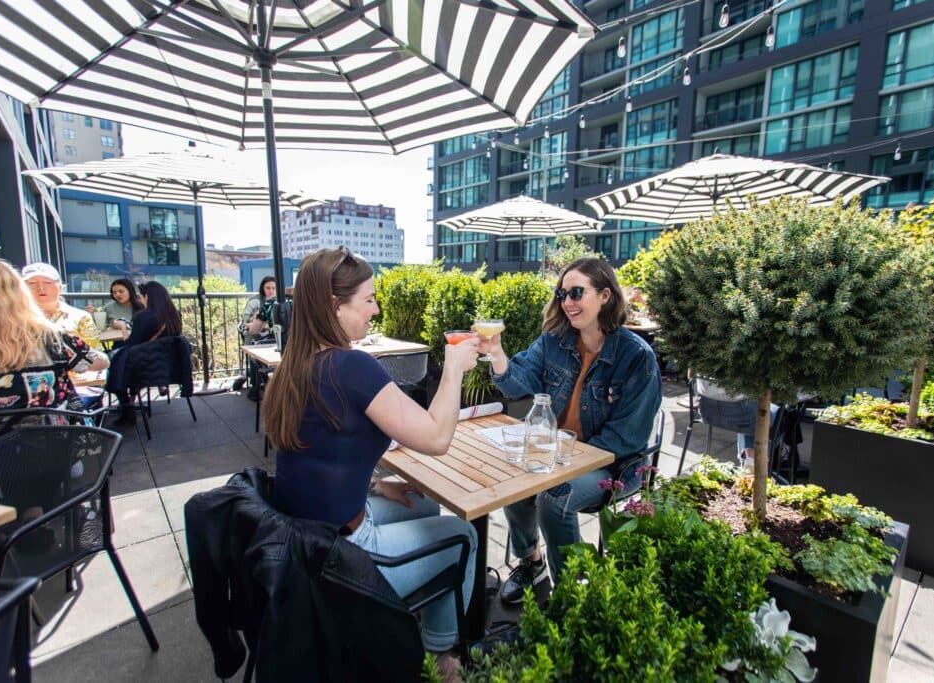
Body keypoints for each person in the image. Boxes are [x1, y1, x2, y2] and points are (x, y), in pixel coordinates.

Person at [263, 246, 480, 675]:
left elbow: (318, 455)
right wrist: (453, 369)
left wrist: (374, 486)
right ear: (333, 306)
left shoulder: (294, 364)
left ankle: (411, 615)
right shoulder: (353, 368)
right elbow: (436, 437)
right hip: (340, 565)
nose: (376, 310)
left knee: (423, 504)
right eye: (367, 300)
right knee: (464, 535)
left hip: (300, 548)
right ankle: (438, 661)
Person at [477, 257, 662, 603]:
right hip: (556, 453)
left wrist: (561, 456)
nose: (567, 302)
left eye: (577, 293)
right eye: (562, 293)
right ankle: (532, 562)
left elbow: (626, 438)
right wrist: (497, 355)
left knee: (553, 495)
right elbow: (518, 382)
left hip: (613, 465)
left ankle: (572, 592)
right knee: (512, 478)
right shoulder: (554, 341)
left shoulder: (637, 357)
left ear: (605, 295)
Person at [0, 256, 109, 415]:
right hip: (51, 436)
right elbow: (100, 362)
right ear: (18, 293)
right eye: (32, 284)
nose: (41, 288)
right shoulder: (50, 337)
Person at [105, 281, 183, 425]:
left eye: (142, 296)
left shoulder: (143, 317)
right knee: (122, 359)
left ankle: (127, 407)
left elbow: (133, 343)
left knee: (114, 361)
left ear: (148, 297)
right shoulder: (175, 315)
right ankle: (132, 398)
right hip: (165, 364)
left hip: (144, 365)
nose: (141, 299)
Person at [22, 262, 101, 349]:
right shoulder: (14, 318)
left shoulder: (80, 317)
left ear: (60, 287)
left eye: (47, 282)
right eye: (32, 283)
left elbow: (95, 354)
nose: (41, 287)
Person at [235, 275, 276, 399]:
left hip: (270, 335)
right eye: (268, 288)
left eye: (273, 288)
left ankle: (262, 381)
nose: (271, 291)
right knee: (255, 353)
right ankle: (255, 387)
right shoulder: (255, 302)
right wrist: (264, 324)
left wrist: (263, 324)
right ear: (262, 288)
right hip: (254, 336)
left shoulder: (279, 302)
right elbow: (246, 324)